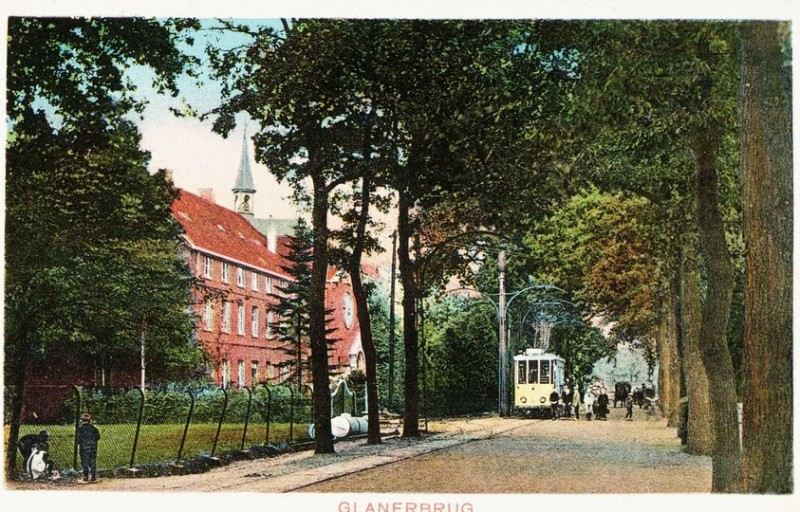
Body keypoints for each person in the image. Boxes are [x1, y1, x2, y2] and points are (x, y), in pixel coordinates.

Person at [77, 412, 101, 483]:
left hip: (84, 448)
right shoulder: (94, 429)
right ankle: (93, 477)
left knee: (85, 462)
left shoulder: (80, 429)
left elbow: (78, 439)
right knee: (93, 462)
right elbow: (98, 437)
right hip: (93, 447)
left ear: (82, 420)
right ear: (90, 420)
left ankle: (85, 477)